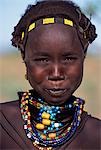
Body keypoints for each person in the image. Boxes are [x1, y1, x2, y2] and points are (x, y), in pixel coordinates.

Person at [0, 0, 100, 149]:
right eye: (42, 60)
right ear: (24, 57)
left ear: (83, 55)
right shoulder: (3, 123)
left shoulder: (96, 136)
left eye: (68, 59)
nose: (56, 74)